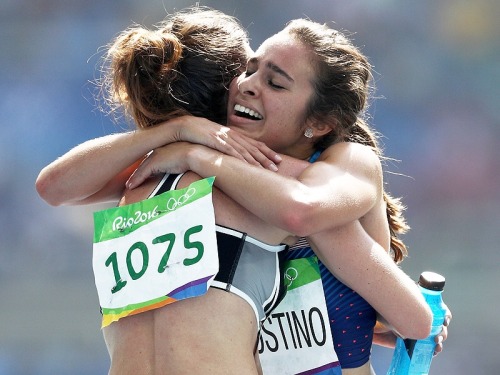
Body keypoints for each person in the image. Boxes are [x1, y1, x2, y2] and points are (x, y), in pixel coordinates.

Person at [36, 10, 449, 375]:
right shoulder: (205, 175)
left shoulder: (154, 175)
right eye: (249, 70)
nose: (249, 85)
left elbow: (54, 186)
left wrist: (190, 148)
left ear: (319, 121)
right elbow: (415, 321)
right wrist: (181, 140)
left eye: (275, 82)